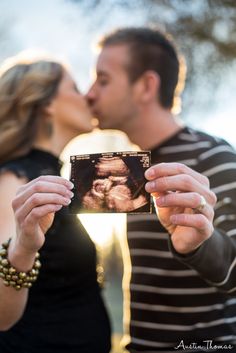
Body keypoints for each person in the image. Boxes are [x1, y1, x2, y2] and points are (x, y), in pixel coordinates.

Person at [86, 27, 236, 352]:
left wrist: (200, 243)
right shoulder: (127, 169)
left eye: (103, 79)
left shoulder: (216, 157)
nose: (90, 94)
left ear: (146, 86)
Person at [0, 52, 111, 353]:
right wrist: (22, 248)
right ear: (46, 104)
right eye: (75, 88)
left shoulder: (50, 176)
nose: (88, 96)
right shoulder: (15, 180)